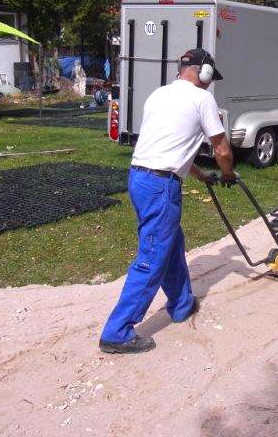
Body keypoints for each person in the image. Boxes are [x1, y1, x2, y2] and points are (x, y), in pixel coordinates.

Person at [99, 48, 236, 354]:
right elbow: (222, 149)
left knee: (170, 242)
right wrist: (227, 173)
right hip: (161, 186)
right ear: (204, 72)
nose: (210, 83)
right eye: (210, 77)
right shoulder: (202, 99)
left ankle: (182, 304)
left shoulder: (159, 95)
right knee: (153, 255)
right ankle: (117, 331)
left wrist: (201, 176)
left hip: (139, 178)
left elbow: (172, 147)